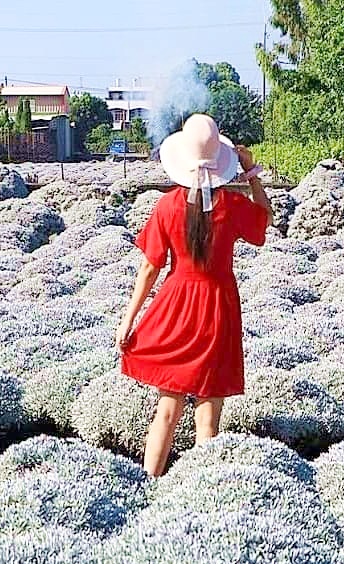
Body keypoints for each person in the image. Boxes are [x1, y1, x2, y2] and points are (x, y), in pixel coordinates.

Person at [116, 114, 272, 476]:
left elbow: (149, 268)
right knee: (209, 421)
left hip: (176, 306)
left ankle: (148, 486)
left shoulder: (167, 205)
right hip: (218, 307)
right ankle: (200, 494)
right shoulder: (231, 207)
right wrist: (251, 174)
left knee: (167, 411)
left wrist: (129, 319)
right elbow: (264, 219)